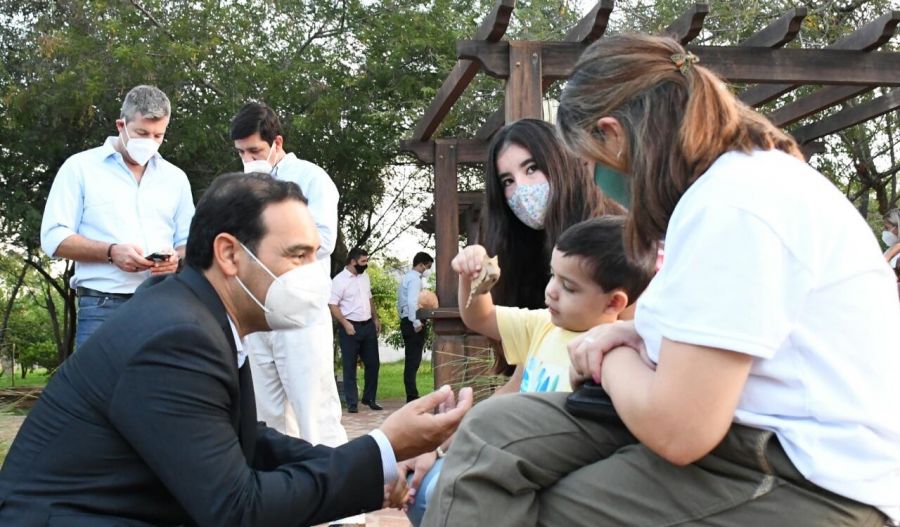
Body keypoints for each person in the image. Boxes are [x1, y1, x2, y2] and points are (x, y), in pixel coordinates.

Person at [423, 34, 900, 527]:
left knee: (544, 506)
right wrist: (636, 335)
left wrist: (610, 354)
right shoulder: (723, 192)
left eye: (587, 161)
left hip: (807, 472)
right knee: (492, 429)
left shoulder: (732, 207)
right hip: (743, 434)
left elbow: (680, 430)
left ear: (613, 135)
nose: (593, 177)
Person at [0, 172, 473, 527]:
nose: (313, 274)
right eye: (297, 255)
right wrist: (383, 448)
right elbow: (237, 509)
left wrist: (377, 460)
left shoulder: (194, 313)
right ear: (229, 254)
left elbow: (248, 441)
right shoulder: (177, 338)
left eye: (315, 256)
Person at [404, 216, 654, 526]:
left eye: (569, 287)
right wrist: (473, 277)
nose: (551, 291)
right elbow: (480, 317)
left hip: (543, 476)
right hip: (506, 457)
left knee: (441, 495)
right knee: (423, 490)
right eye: (553, 276)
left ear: (613, 302)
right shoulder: (543, 325)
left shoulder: (616, 356)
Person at [229, 102, 347, 449]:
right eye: (241, 153)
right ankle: (281, 482)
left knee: (314, 415)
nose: (248, 159)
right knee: (267, 417)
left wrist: (267, 250)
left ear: (276, 142)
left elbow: (323, 240)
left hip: (299, 312)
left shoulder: (311, 177)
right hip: (255, 314)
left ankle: (336, 482)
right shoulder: (241, 187)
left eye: (255, 151)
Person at [39, 85, 194, 349]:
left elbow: (189, 241)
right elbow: (53, 237)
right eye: (142, 133)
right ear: (121, 125)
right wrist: (111, 252)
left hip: (162, 304)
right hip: (102, 306)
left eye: (158, 135)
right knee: (96, 378)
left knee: (159, 378)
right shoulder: (80, 168)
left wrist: (175, 259)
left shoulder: (175, 178)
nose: (151, 142)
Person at [480, 118, 624, 376]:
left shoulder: (616, 239)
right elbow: (525, 375)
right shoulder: (520, 255)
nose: (521, 188)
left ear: (561, 162)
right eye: (507, 181)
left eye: (531, 168)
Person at [330, 247, 382, 413]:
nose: (365, 264)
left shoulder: (364, 277)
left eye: (366, 261)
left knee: (373, 364)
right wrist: (345, 324)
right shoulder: (339, 280)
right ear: (353, 261)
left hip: (367, 326)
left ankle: (369, 398)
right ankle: (352, 403)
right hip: (350, 327)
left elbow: (369, 298)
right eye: (363, 261)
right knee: (350, 366)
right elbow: (332, 304)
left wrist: (375, 318)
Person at [398, 251, 435, 402]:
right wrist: (416, 322)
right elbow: (412, 302)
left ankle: (411, 393)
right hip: (413, 322)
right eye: (428, 267)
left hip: (406, 320)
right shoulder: (414, 279)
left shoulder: (407, 277)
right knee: (413, 360)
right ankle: (412, 395)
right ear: (421, 264)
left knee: (411, 359)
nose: (427, 270)